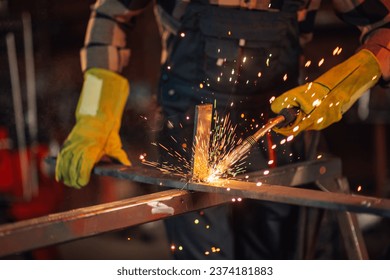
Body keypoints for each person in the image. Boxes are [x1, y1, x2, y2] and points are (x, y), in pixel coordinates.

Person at [55, 0, 389, 259]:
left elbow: (384, 25)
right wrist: (95, 110)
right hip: (188, 135)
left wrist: (356, 75)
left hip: (281, 132)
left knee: (286, 259)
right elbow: (111, 13)